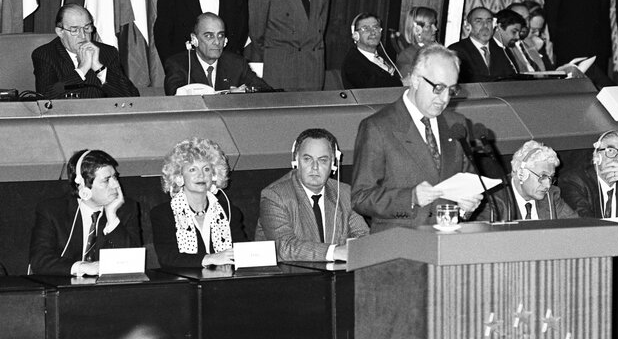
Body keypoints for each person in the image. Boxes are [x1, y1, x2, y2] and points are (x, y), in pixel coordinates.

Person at [351, 44, 483, 233]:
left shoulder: (457, 124)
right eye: (438, 88)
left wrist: (466, 207)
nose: (445, 99)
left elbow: (466, 183)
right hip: (399, 247)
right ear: (415, 79)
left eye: (452, 90)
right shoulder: (377, 127)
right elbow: (360, 198)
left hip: (448, 245)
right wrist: (410, 198)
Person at [255, 129, 369, 261]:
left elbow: (363, 237)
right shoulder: (274, 196)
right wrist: (334, 252)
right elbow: (284, 247)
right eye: (307, 159)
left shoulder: (345, 194)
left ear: (333, 164)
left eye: (323, 160)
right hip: (288, 278)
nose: (315, 167)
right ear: (296, 161)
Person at [29, 149, 141, 276]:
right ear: (83, 187)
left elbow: (134, 262)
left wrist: (112, 218)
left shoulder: (126, 208)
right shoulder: (52, 211)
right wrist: (82, 267)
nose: (116, 185)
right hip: (65, 289)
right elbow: (39, 261)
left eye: (115, 177)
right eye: (106, 180)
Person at [150, 138, 247, 268]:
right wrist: (210, 258)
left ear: (214, 176)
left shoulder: (230, 212)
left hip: (225, 283)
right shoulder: (163, 214)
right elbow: (168, 258)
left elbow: (243, 253)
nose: (201, 175)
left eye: (206, 169)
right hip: (184, 285)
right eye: (192, 170)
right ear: (179, 178)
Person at [32, 4, 140, 99]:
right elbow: (46, 97)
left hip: (101, 119)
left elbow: (131, 97)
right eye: (75, 30)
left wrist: (99, 68)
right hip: (64, 120)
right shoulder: (45, 55)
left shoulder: (107, 52)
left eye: (87, 28)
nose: (83, 36)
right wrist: (81, 70)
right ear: (60, 32)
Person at [163, 13, 271, 95]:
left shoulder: (237, 63)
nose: (217, 42)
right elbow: (174, 95)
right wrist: (227, 95)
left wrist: (245, 92)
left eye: (220, 35)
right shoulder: (178, 64)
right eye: (209, 36)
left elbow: (266, 91)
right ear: (194, 39)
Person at [477, 140, 577, 221]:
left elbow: (577, 228)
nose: (548, 185)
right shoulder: (493, 199)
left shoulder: (551, 195)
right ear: (521, 174)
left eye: (551, 178)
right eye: (543, 176)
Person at [448, 6, 515, 83]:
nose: (485, 26)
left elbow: (511, 79)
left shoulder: (501, 51)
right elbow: (465, 80)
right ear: (468, 26)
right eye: (479, 21)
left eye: (489, 21)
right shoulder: (456, 50)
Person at [341, 13, 402, 89]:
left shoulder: (382, 55)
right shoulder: (353, 63)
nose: (373, 32)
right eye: (366, 28)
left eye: (375, 27)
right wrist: (401, 83)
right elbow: (374, 88)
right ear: (356, 35)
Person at [396, 6, 439, 83]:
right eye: (429, 26)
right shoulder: (407, 56)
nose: (435, 29)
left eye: (434, 24)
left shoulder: (439, 49)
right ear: (417, 30)